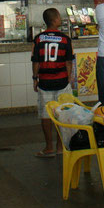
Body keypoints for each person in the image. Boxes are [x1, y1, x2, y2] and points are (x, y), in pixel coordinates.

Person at [31, 8, 74, 158]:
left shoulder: (38, 39)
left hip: (45, 82)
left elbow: (36, 61)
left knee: (45, 114)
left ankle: (48, 147)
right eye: (59, 17)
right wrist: (69, 77)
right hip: (62, 81)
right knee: (62, 114)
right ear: (55, 19)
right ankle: (60, 146)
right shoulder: (65, 39)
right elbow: (69, 61)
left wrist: (35, 78)